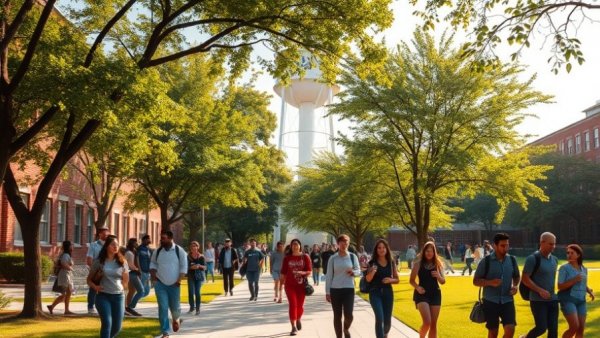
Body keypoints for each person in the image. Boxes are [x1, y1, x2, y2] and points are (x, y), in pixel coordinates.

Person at [473, 233, 520, 338]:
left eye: (507, 245)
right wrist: (490, 282)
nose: (506, 248)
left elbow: (516, 276)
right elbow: (476, 281)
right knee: (493, 332)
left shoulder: (512, 260)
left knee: (510, 329)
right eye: (503, 246)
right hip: (490, 301)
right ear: (494, 245)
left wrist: (515, 286)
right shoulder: (486, 261)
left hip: (507, 300)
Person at [87, 235, 129, 338]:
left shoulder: (122, 262)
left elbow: (126, 281)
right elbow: (88, 280)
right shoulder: (99, 262)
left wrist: (122, 289)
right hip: (103, 296)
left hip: (118, 297)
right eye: (113, 244)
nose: (116, 247)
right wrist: (95, 287)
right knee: (107, 323)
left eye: (117, 245)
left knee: (117, 327)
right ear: (107, 247)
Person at [150, 230, 188, 338]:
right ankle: (165, 332)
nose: (161, 240)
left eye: (164, 238)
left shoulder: (179, 251)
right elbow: (152, 263)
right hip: (160, 283)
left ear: (171, 238)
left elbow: (184, 266)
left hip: (175, 284)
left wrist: (179, 280)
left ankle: (176, 319)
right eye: (161, 238)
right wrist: (154, 276)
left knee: (175, 308)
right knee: (163, 307)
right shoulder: (157, 251)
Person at [521, 232, 559, 338]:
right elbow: (525, 279)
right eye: (551, 244)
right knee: (541, 328)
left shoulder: (555, 259)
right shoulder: (532, 259)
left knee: (553, 330)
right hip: (537, 300)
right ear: (542, 242)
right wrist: (540, 290)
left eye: (554, 244)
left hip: (553, 300)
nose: (553, 246)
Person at [325, 234, 362, 338]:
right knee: (337, 316)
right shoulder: (333, 258)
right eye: (341, 242)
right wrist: (327, 292)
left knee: (349, 315)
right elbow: (329, 276)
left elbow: (358, 271)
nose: (344, 244)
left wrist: (353, 272)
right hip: (335, 290)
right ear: (338, 244)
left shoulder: (352, 256)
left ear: (348, 243)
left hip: (349, 289)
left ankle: (346, 328)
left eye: (346, 242)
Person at [409, 241, 446, 338]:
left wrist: (438, 276)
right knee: (427, 322)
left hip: (435, 294)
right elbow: (411, 280)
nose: (429, 253)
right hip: (422, 294)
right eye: (427, 251)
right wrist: (417, 287)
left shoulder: (437, 264)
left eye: (431, 251)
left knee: (433, 324)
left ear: (434, 253)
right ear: (424, 252)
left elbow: (443, 281)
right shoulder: (418, 264)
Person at [557, 244, 595, 338]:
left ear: (578, 255)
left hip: (581, 301)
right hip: (568, 299)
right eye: (567, 253)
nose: (569, 255)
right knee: (574, 326)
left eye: (572, 253)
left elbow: (582, 283)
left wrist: (589, 291)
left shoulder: (584, 269)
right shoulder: (564, 268)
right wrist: (574, 280)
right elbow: (560, 286)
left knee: (581, 328)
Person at [365, 239, 399, 338]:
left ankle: (385, 334)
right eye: (379, 248)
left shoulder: (391, 262)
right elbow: (367, 279)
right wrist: (372, 272)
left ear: (387, 249)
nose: (381, 249)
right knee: (379, 318)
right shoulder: (372, 263)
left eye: (383, 247)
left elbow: (397, 279)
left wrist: (390, 280)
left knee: (387, 321)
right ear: (376, 250)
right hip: (375, 293)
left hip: (388, 293)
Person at [281, 239, 312, 336]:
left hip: (301, 285)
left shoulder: (305, 257)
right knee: (293, 304)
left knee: (300, 306)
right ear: (290, 246)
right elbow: (283, 273)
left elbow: (309, 271)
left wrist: (302, 273)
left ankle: (298, 318)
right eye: (293, 245)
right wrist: (281, 285)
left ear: (300, 246)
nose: (295, 246)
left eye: (296, 244)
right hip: (290, 285)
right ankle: (293, 326)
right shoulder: (287, 258)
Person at [86, 225, 110, 314]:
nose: (106, 235)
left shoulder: (110, 245)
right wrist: (94, 271)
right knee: (93, 289)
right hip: (97, 271)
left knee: (106, 288)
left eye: (108, 234)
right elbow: (89, 259)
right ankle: (90, 307)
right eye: (104, 234)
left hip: (108, 270)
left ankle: (104, 307)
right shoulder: (94, 245)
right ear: (99, 234)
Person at [47, 240, 75, 315]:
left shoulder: (66, 254)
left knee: (68, 293)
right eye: (71, 245)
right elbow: (63, 263)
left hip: (67, 275)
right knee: (65, 294)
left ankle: (66, 310)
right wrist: (70, 268)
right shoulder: (66, 255)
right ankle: (53, 306)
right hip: (64, 275)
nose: (72, 247)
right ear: (68, 247)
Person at [124, 238, 144, 317]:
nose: (137, 244)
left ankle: (128, 307)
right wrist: (137, 269)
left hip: (131, 273)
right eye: (135, 243)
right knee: (141, 291)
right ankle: (130, 307)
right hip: (132, 273)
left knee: (131, 291)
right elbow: (129, 264)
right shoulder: (129, 253)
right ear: (132, 244)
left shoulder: (133, 252)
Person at [133, 234, 153, 309]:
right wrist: (139, 270)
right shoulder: (139, 249)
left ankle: (133, 300)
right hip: (142, 272)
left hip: (148, 272)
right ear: (144, 240)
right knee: (140, 290)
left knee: (147, 291)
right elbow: (137, 260)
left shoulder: (148, 249)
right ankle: (131, 304)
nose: (149, 240)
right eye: (148, 239)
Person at [187, 241, 206, 315]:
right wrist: (192, 267)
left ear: (198, 247)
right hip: (191, 276)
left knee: (197, 292)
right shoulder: (188, 257)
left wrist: (199, 266)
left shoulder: (201, 257)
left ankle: (198, 309)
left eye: (195, 246)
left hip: (199, 277)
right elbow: (185, 267)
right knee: (191, 292)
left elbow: (205, 267)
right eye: (192, 246)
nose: (194, 247)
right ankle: (192, 307)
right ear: (190, 248)